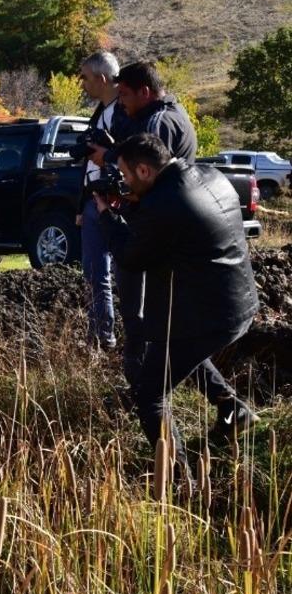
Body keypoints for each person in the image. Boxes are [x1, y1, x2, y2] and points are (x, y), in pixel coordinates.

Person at [96, 133, 259, 487]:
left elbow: (130, 257)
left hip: (207, 314)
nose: (123, 182)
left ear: (144, 169)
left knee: (149, 393)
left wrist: (107, 217)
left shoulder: (164, 203)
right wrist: (133, 205)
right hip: (237, 303)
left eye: (125, 175)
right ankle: (233, 409)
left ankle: (178, 481)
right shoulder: (208, 174)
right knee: (184, 350)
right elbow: (175, 228)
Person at [87, 61, 198, 386]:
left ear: (144, 92)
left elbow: (147, 171)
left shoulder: (159, 123)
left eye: (123, 95)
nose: (120, 102)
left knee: (138, 313)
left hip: (153, 228)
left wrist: (108, 158)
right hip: (164, 225)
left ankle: (140, 385)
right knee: (156, 317)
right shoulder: (171, 115)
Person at [76, 52, 135, 350]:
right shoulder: (100, 112)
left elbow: (127, 159)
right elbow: (88, 162)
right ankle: (101, 337)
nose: (82, 83)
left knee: (121, 273)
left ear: (101, 78)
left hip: (115, 202)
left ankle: (114, 339)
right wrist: (81, 206)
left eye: (85, 77)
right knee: (94, 272)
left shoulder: (124, 113)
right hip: (93, 200)